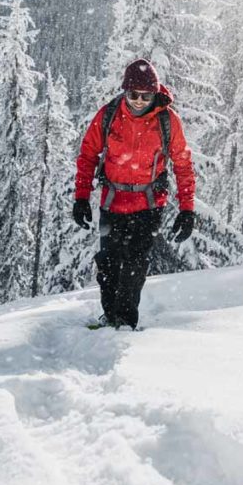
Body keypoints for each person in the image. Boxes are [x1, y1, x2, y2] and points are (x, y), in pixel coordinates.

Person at [72, 58, 196, 330]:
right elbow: (88, 154)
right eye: (133, 95)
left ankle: (125, 323)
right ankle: (110, 317)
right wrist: (81, 197)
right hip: (112, 202)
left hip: (148, 205)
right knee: (108, 264)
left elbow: (183, 164)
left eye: (146, 96)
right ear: (124, 91)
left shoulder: (167, 120)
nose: (139, 101)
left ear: (155, 93)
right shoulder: (109, 115)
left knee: (134, 264)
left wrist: (187, 210)